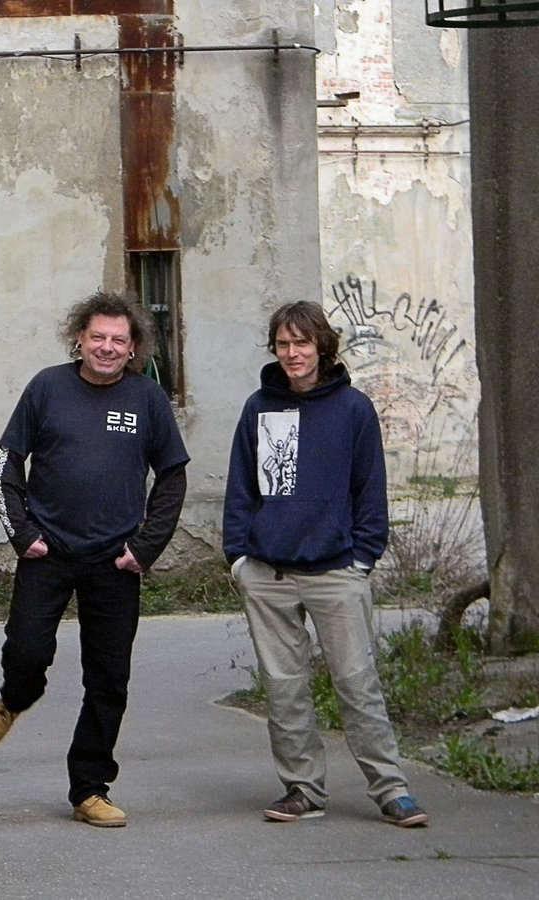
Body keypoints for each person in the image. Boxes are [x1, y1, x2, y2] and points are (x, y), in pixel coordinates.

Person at [0, 291, 189, 828]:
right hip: (47, 552)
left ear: (133, 347)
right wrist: (22, 534)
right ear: (79, 339)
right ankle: (14, 699)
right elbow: (6, 464)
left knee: (108, 679)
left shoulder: (147, 398)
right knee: (26, 650)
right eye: (98, 337)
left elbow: (172, 476)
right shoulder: (47, 387)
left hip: (115, 560)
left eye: (119, 340)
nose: (107, 347)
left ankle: (90, 789)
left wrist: (146, 547)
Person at [223, 300, 429, 828]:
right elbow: (242, 486)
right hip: (268, 573)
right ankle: (303, 789)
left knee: (357, 684)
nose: (293, 353)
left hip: (337, 571)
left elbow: (370, 489)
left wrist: (362, 557)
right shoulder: (260, 408)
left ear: (322, 346)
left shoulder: (353, 408)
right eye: (283, 344)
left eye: (302, 343)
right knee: (284, 687)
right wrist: (239, 557)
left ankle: (392, 789)